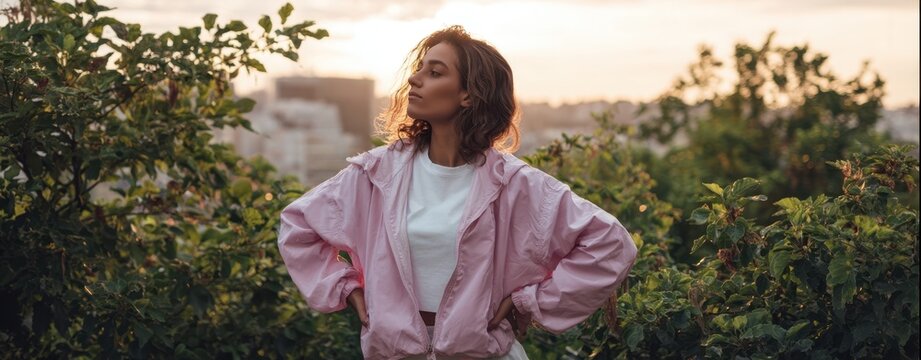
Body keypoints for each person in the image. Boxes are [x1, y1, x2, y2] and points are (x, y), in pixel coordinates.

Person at [277, 25, 638, 359]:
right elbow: (298, 225)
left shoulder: (516, 185)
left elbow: (610, 244)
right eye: (419, 69)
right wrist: (345, 288)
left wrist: (532, 301)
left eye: (435, 72)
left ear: (468, 95)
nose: (415, 79)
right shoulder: (376, 174)